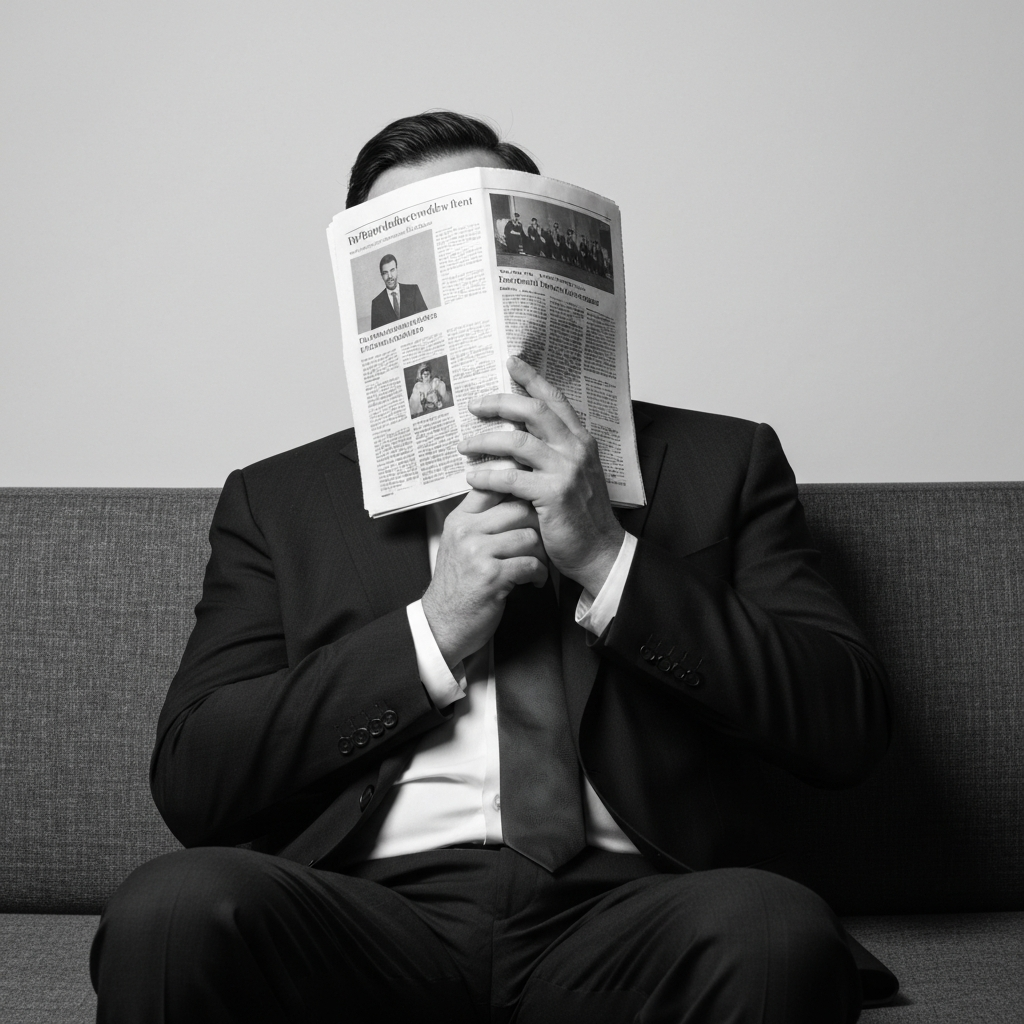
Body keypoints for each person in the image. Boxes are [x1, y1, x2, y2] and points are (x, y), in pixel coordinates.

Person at [91, 111, 894, 1024]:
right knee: (169, 908)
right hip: (366, 916)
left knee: (773, 928)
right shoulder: (278, 502)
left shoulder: (723, 463)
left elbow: (848, 724)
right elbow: (197, 779)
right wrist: (432, 633)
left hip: (636, 911)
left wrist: (608, 557)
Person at [369, 253, 428, 330]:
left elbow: (427, 322)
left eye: (392, 270)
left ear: (397, 270)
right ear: (382, 276)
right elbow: (376, 336)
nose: (389, 276)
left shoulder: (413, 291)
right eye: (385, 273)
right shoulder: (376, 303)